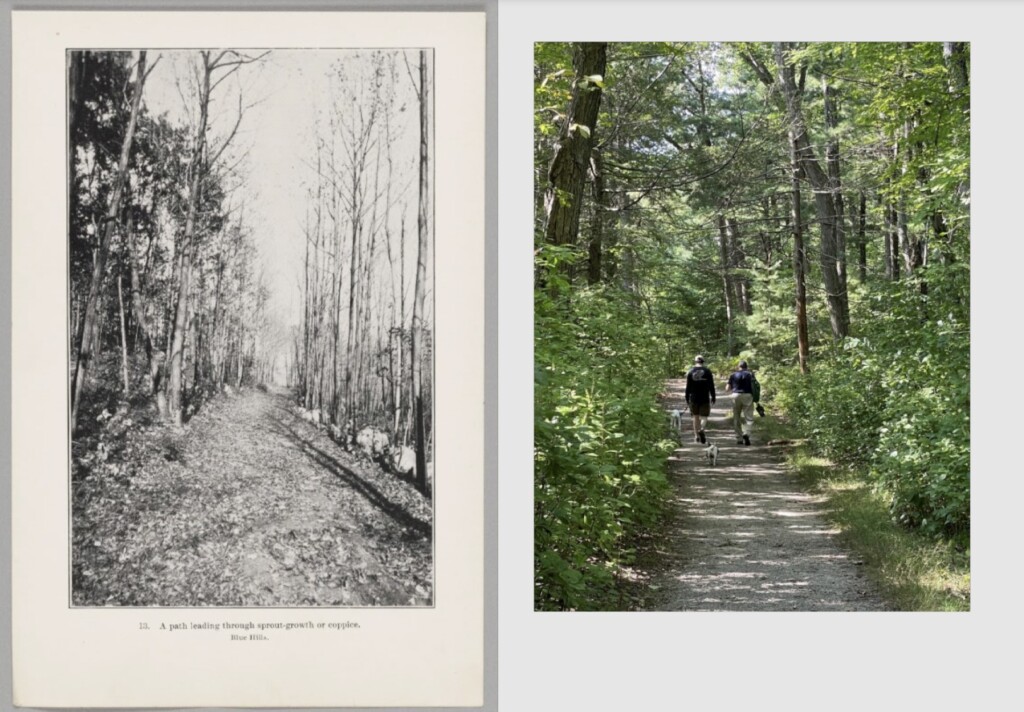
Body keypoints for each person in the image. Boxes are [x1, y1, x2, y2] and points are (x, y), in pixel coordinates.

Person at [684, 355, 715, 444]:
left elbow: (688, 387)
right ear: (703, 362)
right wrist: (713, 396)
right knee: (704, 416)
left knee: (695, 416)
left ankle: (696, 436)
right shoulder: (707, 371)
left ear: (695, 362)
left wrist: (686, 397)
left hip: (693, 398)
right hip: (704, 397)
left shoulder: (690, 371)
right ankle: (701, 429)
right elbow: (711, 385)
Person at [727, 359, 755, 446]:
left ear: (738, 367)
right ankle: (746, 433)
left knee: (736, 417)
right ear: (746, 367)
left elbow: (727, 388)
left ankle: (739, 438)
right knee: (749, 417)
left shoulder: (733, 375)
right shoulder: (750, 375)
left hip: (735, 395)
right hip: (747, 396)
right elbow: (755, 386)